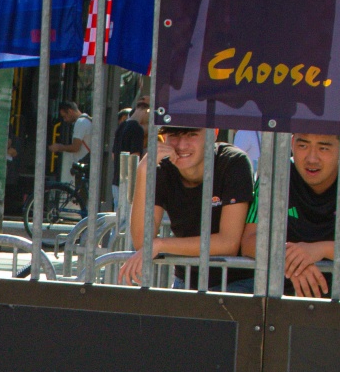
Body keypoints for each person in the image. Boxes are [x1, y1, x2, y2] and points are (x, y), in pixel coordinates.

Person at [239, 131, 340, 298]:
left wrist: (321, 249)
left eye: (323, 148)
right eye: (303, 145)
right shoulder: (274, 176)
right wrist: (294, 259)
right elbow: (249, 240)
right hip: (281, 300)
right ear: (292, 144)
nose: (312, 158)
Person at [115, 126, 253, 287]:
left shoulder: (233, 162)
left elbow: (228, 244)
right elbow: (142, 242)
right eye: (174, 135)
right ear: (164, 137)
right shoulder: (161, 168)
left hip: (238, 282)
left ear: (214, 133)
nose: (181, 145)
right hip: (186, 280)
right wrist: (143, 170)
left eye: (192, 134)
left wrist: (160, 244)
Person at [53, 96, 93, 196]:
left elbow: (75, 147)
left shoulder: (80, 123)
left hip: (83, 165)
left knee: (83, 197)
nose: (65, 120)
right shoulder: (86, 120)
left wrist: (59, 147)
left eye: (64, 116)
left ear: (70, 111)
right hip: (85, 164)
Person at [113, 95, 149, 160]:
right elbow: (135, 157)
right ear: (147, 111)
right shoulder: (137, 128)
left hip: (119, 166)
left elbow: (113, 155)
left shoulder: (122, 126)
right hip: (132, 166)